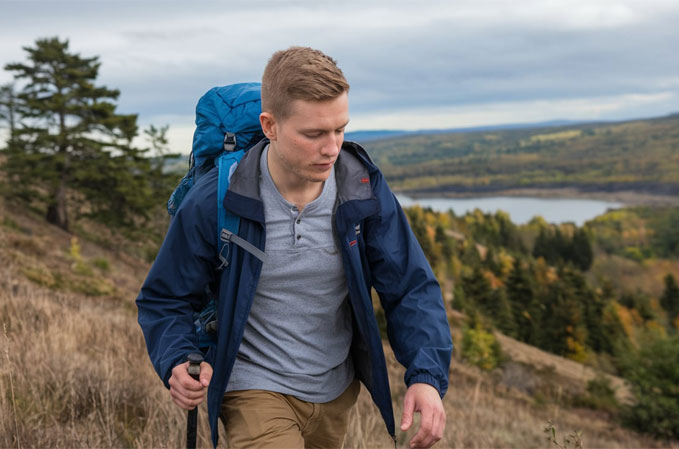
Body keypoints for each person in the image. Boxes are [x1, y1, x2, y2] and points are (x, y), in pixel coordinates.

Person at [136, 46, 452, 449]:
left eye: (340, 129)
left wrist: (426, 376)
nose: (332, 147)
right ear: (270, 125)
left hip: (335, 391)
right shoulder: (216, 200)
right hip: (252, 385)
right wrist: (177, 359)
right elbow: (164, 297)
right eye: (314, 133)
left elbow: (410, 287)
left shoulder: (361, 188)